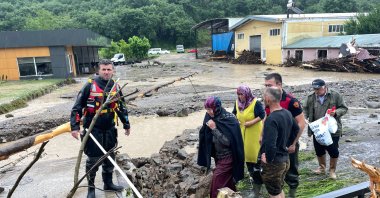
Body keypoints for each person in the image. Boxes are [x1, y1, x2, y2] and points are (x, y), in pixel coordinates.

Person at [70, 59, 131, 198]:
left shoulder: (116, 86)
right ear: (99, 70)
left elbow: (122, 108)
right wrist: (74, 127)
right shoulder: (89, 85)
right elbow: (77, 107)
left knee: (110, 157)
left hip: (109, 128)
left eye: (109, 69)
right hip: (92, 129)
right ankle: (91, 189)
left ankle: (108, 183)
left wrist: (126, 124)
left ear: (113, 71)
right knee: (93, 159)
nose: (106, 72)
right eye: (104, 69)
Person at [263, 73, 306, 198]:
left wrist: (293, 143)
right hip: (277, 144)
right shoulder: (271, 102)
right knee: (280, 177)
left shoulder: (291, 101)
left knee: (291, 172)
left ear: (279, 85)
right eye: (265, 85)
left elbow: (301, 124)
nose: (266, 88)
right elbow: (266, 118)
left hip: (286, 144)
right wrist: (261, 136)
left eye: (269, 85)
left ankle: (293, 193)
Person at [197, 96, 244, 198]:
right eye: (207, 109)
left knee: (216, 186)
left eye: (210, 109)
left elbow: (227, 142)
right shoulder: (211, 117)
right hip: (219, 157)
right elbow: (205, 132)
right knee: (227, 183)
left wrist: (214, 129)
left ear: (217, 107)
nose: (208, 112)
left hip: (229, 158)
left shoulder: (229, 119)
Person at [303, 79, 348, 179]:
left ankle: (332, 170)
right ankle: (322, 168)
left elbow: (344, 108)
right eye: (315, 89)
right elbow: (305, 108)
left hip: (332, 129)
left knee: (333, 151)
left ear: (325, 87)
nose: (316, 91)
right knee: (319, 149)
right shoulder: (311, 97)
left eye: (318, 89)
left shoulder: (335, 95)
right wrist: (305, 117)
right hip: (318, 129)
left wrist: (336, 112)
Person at [232, 85, 265, 197]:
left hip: (254, 132)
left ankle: (258, 181)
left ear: (247, 94)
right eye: (239, 94)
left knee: (255, 155)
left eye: (242, 94)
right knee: (245, 154)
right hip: (242, 132)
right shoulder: (237, 103)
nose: (240, 97)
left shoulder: (255, 103)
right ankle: (252, 174)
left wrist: (251, 122)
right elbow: (234, 114)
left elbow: (262, 115)